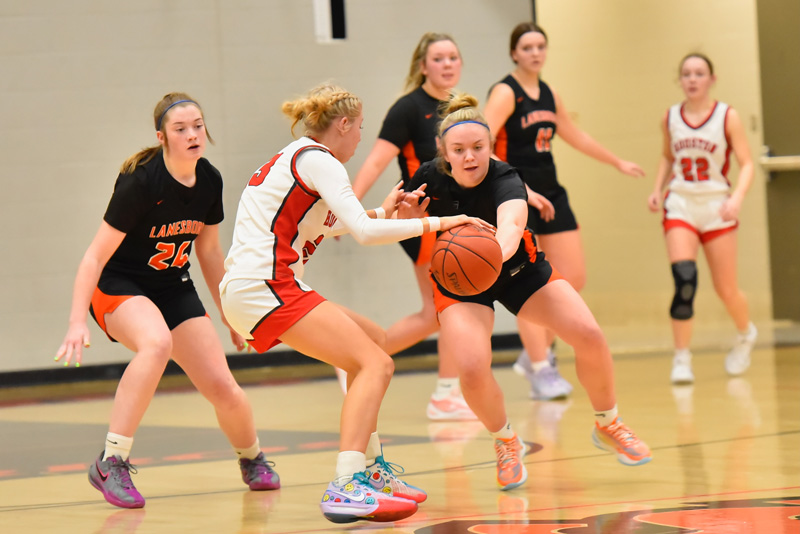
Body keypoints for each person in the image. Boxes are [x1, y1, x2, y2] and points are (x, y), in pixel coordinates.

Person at [219, 83, 489, 523]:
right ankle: (347, 482)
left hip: (256, 287)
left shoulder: (299, 158)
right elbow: (362, 233)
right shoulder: (319, 160)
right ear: (342, 124)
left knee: (374, 341)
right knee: (377, 365)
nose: (361, 137)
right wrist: (442, 222)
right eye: (360, 127)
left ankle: (371, 469)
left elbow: (337, 226)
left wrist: (383, 213)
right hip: (264, 284)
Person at [403, 93, 651, 490]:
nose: (470, 157)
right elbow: (395, 218)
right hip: (461, 283)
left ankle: (609, 423)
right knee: (470, 367)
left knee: (589, 335)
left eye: (479, 148)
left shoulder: (506, 177)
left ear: (489, 145)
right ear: (444, 153)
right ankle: (506, 441)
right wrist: (407, 218)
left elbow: (512, 225)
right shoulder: (428, 177)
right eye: (460, 150)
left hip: (517, 269)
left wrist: (488, 255)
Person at [54, 93, 279, 509]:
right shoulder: (142, 181)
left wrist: (231, 312)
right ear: (162, 137)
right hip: (119, 283)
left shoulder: (209, 180)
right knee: (156, 343)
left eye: (197, 125)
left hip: (172, 285)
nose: (193, 134)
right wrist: (75, 321)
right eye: (181, 129)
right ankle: (112, 462)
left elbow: (209, 253)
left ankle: (253, 459)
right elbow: (94, 256)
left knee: (223, 387)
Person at [484, 22, 645, 401]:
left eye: (541, 46)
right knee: (529, 284)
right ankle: (541, 368)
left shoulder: (549, 93)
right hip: (515, 194)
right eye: (527, 47)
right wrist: (522, 189)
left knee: (573, 277)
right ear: (514, 53)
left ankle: (532, 351)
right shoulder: (506, 92)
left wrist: (616, 161)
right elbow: (482, 145)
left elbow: (576, 134)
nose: (535, 52)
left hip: (552, 191)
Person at [349, 32, 476, 420]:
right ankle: (360, 358)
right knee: (444, 310)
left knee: (443, 312)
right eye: (439, 58)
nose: (448, 64)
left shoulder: (462, 107)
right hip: (421, 221)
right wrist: (346, 208)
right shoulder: (408, 109)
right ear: (423, 66)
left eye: (453, 57)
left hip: (451, 221)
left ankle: (441, 391)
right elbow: (375, 161)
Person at [647, 53, 756, 384]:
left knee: (727, 290)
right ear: (679, 80)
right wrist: (657, 189)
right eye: (686, 74)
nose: (692, 79)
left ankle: (745, 333)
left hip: (716, 208)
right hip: (680, 204)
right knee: (685, 280)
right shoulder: (670, 117)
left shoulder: (728, 116)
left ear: (712, 79)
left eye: (699, 73)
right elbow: (668, 157)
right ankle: (681, 357)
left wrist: (736, 198)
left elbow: (747, 163)